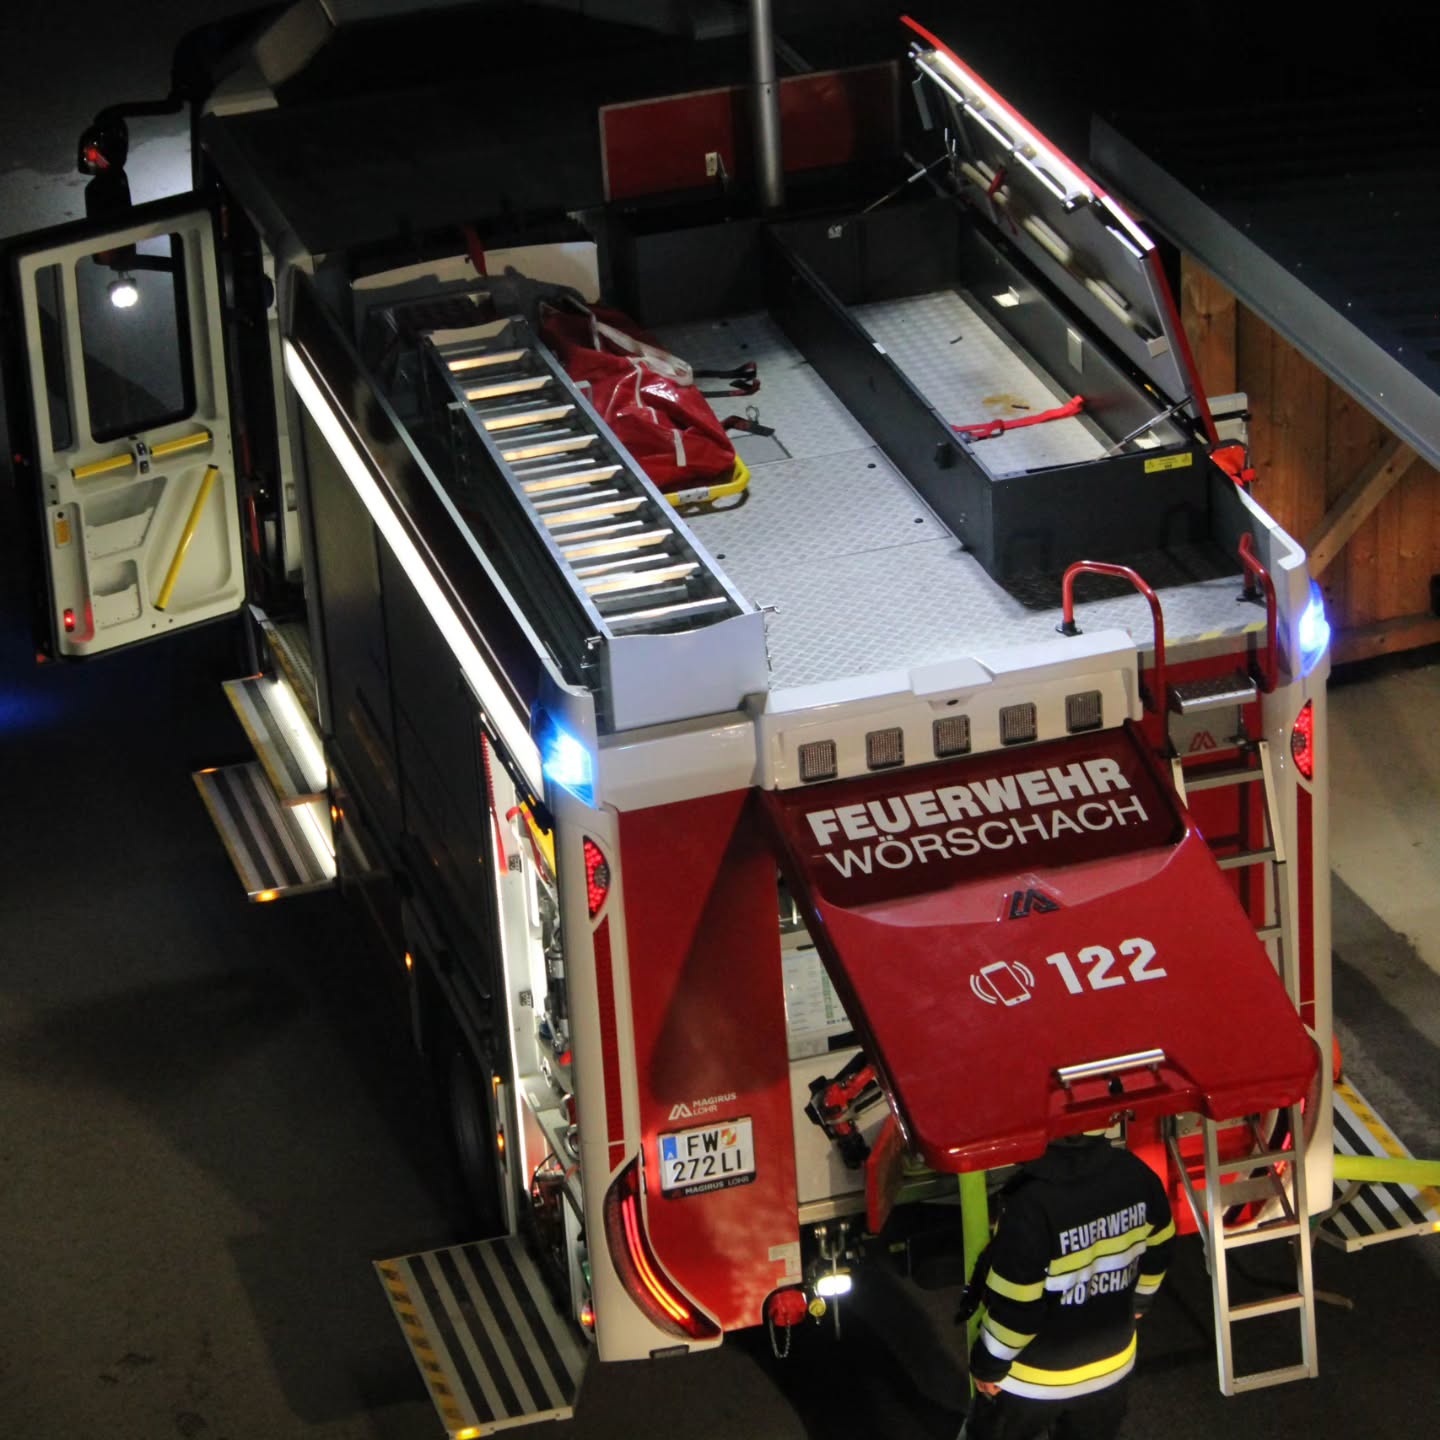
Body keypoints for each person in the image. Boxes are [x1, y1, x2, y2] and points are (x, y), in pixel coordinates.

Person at [959, 1130, 1174, 1440]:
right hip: (1110, 1370)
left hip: (1031, 1381)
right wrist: (1140, 1302)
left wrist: (988, 1365)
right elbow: (1160, 1250)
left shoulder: (1029, 1203)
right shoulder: (1137, 1174)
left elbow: (1017, 1310)